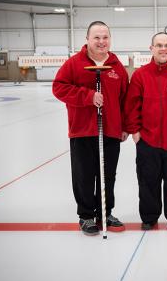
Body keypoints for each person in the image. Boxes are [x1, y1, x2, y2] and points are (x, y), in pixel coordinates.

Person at [53, 21, 128, 236]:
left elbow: (124, 98)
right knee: (84, 175)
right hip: (83, 131)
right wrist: (88, 96)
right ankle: (86, 216)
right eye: (97, 37)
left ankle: (104, 212)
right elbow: (59, 87)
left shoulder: (116, 66)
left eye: (105, 37)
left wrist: (124, 126)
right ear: (87, 39)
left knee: (107, 176)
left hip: (111, 131)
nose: (101, 41)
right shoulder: (74, 63)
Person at [124, 32, 167, 230]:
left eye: (166, 45)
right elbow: (132, 105)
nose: (163, 49)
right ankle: (149, 216)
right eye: (159, 45)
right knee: (148, 182)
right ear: (151, 48)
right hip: (148, 140)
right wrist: (135, 132)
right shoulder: (141, 75)